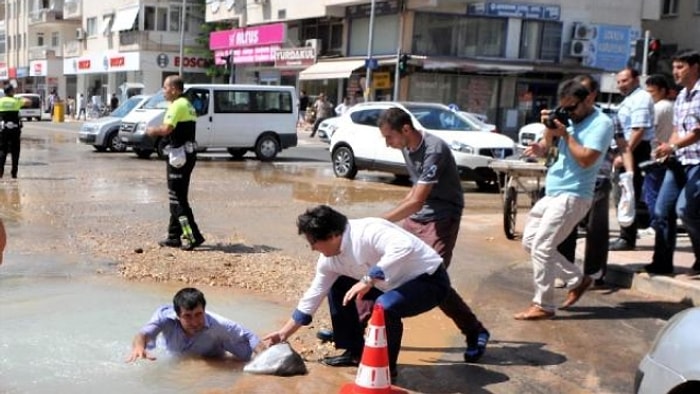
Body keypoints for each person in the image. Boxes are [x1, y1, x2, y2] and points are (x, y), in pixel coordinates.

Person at [263, 205, 450, 380]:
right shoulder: (328, 261)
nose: (312, 248)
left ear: (334, 235)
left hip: (429, 281)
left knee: (384, 307)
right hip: (387, 284)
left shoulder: (368, 230)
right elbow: (313, 295)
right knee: (336, 284)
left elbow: (403, 247)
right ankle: (354, 352)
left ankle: (385, 367)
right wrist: (283, 334)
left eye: (314, 242)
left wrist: (367, 280)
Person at [376, 107, 490, 362]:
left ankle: (474, 331)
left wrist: (380, 220)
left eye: (389, 137)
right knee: (391, 266)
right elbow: (414, 192)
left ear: (406, 129)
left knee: (430, 277)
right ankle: (365, 326)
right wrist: (393, 222)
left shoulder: (434, 149)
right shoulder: (406, 147)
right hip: (417, 216)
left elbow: (417, 199)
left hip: (442, 216)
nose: (387, 144)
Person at [515, 79, 613, 320]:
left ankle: (544, 305)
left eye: (573, 108)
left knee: (543, 247)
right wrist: (547, 135)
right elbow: (546, 148)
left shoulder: (601, 123)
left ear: (589, 99)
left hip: (575, 193)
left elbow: (586, 159)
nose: (569, 113)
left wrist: (566, 134)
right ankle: (577, 280)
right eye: (564, 108)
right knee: (530, 242)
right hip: (554, 190)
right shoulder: (567, 120)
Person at [557, 74, 634, 288]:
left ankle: (595, 272)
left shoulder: (607, 117)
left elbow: (622, 144)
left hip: (598, 176)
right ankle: (566, 271)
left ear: (591, 95)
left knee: (596, 228)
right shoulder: (568, 114)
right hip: (571, 178)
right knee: (565, 226)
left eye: (581, 91)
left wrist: (629, 173)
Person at [646, 49, 700, 275]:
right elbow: (678, 130)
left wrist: (674, 146)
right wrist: (666, 148)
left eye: (680, 67)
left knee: (685, 210)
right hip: (679, 161)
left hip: (697, 162)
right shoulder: (680, 97)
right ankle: (662, 262)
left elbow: (698, 132)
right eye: (674, 67)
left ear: (695, 67)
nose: (675, 72)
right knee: (661, 210)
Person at [146, 75, 205, 250]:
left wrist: (151, 131)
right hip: (188, 154)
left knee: (177, 199)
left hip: (179, 157)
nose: (163, 91)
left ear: (174, 89)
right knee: (178, 197)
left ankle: (192, 235)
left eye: (165, 87)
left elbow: (166, 129)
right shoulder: (187, 104)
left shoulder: (177, 105)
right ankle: (173, 236)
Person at [126, 287, 260, 362]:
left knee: (244, 357)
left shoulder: (219, 324)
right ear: (177, 316)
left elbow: (250, 336)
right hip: (173, 356)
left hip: (212, 360)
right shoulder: (165, 318)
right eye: (187, 316)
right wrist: (139, 347)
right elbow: (143, 334)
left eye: (198, 314)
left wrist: (265, 357)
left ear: (204, 310)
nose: (195, 322)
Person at [609, 67, 655, 251]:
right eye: (619, 81)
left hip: (634, 150)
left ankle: (627, 238)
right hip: (628, 149)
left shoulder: (641, 98)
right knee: (623, 194)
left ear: (636, 80)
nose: (621, 85)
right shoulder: (629, 99)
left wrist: (624, 154)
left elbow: (638, 129)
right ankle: (625, 235)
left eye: (625, 81)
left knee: (627, 194)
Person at [642, 74, 675, 235]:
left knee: (652, 192)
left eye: (652, 92)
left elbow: (647, 130)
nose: (649, 96)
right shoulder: (672, 106)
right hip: (670, 155)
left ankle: (655, 225)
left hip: (655, 156)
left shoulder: (657, 108)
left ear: (662, 90)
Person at [0, 85, 30, 179]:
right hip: (15, 130)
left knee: (2, 150)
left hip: (3, 130)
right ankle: (14, 173)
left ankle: (0, 172)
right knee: (15, 151)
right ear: (11, 91)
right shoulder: (16, 101)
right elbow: (29, 102)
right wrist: (19, 98)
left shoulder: (0, 101)